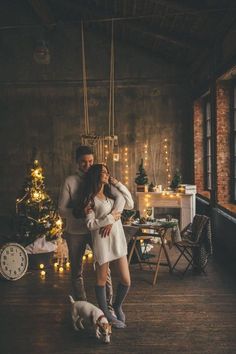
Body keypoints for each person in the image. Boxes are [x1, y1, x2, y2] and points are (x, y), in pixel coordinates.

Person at [58, 146, 129, 307]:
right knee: (77, 271)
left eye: (90, 161)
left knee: (105, 267)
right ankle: (82, 305)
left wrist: (110, 220)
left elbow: (119, 199)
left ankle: (108, 306)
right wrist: (78, 212)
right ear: (77, 162)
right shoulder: (70, 181)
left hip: (98, 231)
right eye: (83, 162)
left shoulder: (100, 179)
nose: (87, 165)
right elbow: (61, 210)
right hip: (76, 232)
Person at [79, 163, 134, 329]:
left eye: (107, 172)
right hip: (102, 242)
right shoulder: (90, 200)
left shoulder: (113, 195)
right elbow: (90, 224)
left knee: (126, 280)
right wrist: (109, 219)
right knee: (101, 280)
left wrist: (117, 183)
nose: (106, 174)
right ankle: (107, 314)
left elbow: (129, 203)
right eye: (103, 172)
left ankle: (116, 305)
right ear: (96, 175)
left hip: (117, 240)